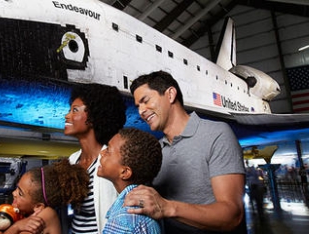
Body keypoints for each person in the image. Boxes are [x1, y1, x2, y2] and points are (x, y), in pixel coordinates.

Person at [125, 71, 246, 233]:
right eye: (138, 106)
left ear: (170, 94)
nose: (141, 111)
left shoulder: (217, 134)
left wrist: (168, 207)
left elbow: (232, 215)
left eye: (145, 101)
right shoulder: (156, 150)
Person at [65, 83, 127, 233]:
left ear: (93, 117)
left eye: (75, 110)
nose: (67, 116)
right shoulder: (72, 160)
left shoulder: (112, 161)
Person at [0, 159, 90, 234]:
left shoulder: (45, 215)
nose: (14, 193)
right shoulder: (24, 215)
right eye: (16, 188)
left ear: (38, 206)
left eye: (20, 194)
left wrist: (16, 227)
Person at [97, 128, 162, 234]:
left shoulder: (123, 219)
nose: (102, 152)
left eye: (108, 150)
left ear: (125, 172)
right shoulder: (147, 208)